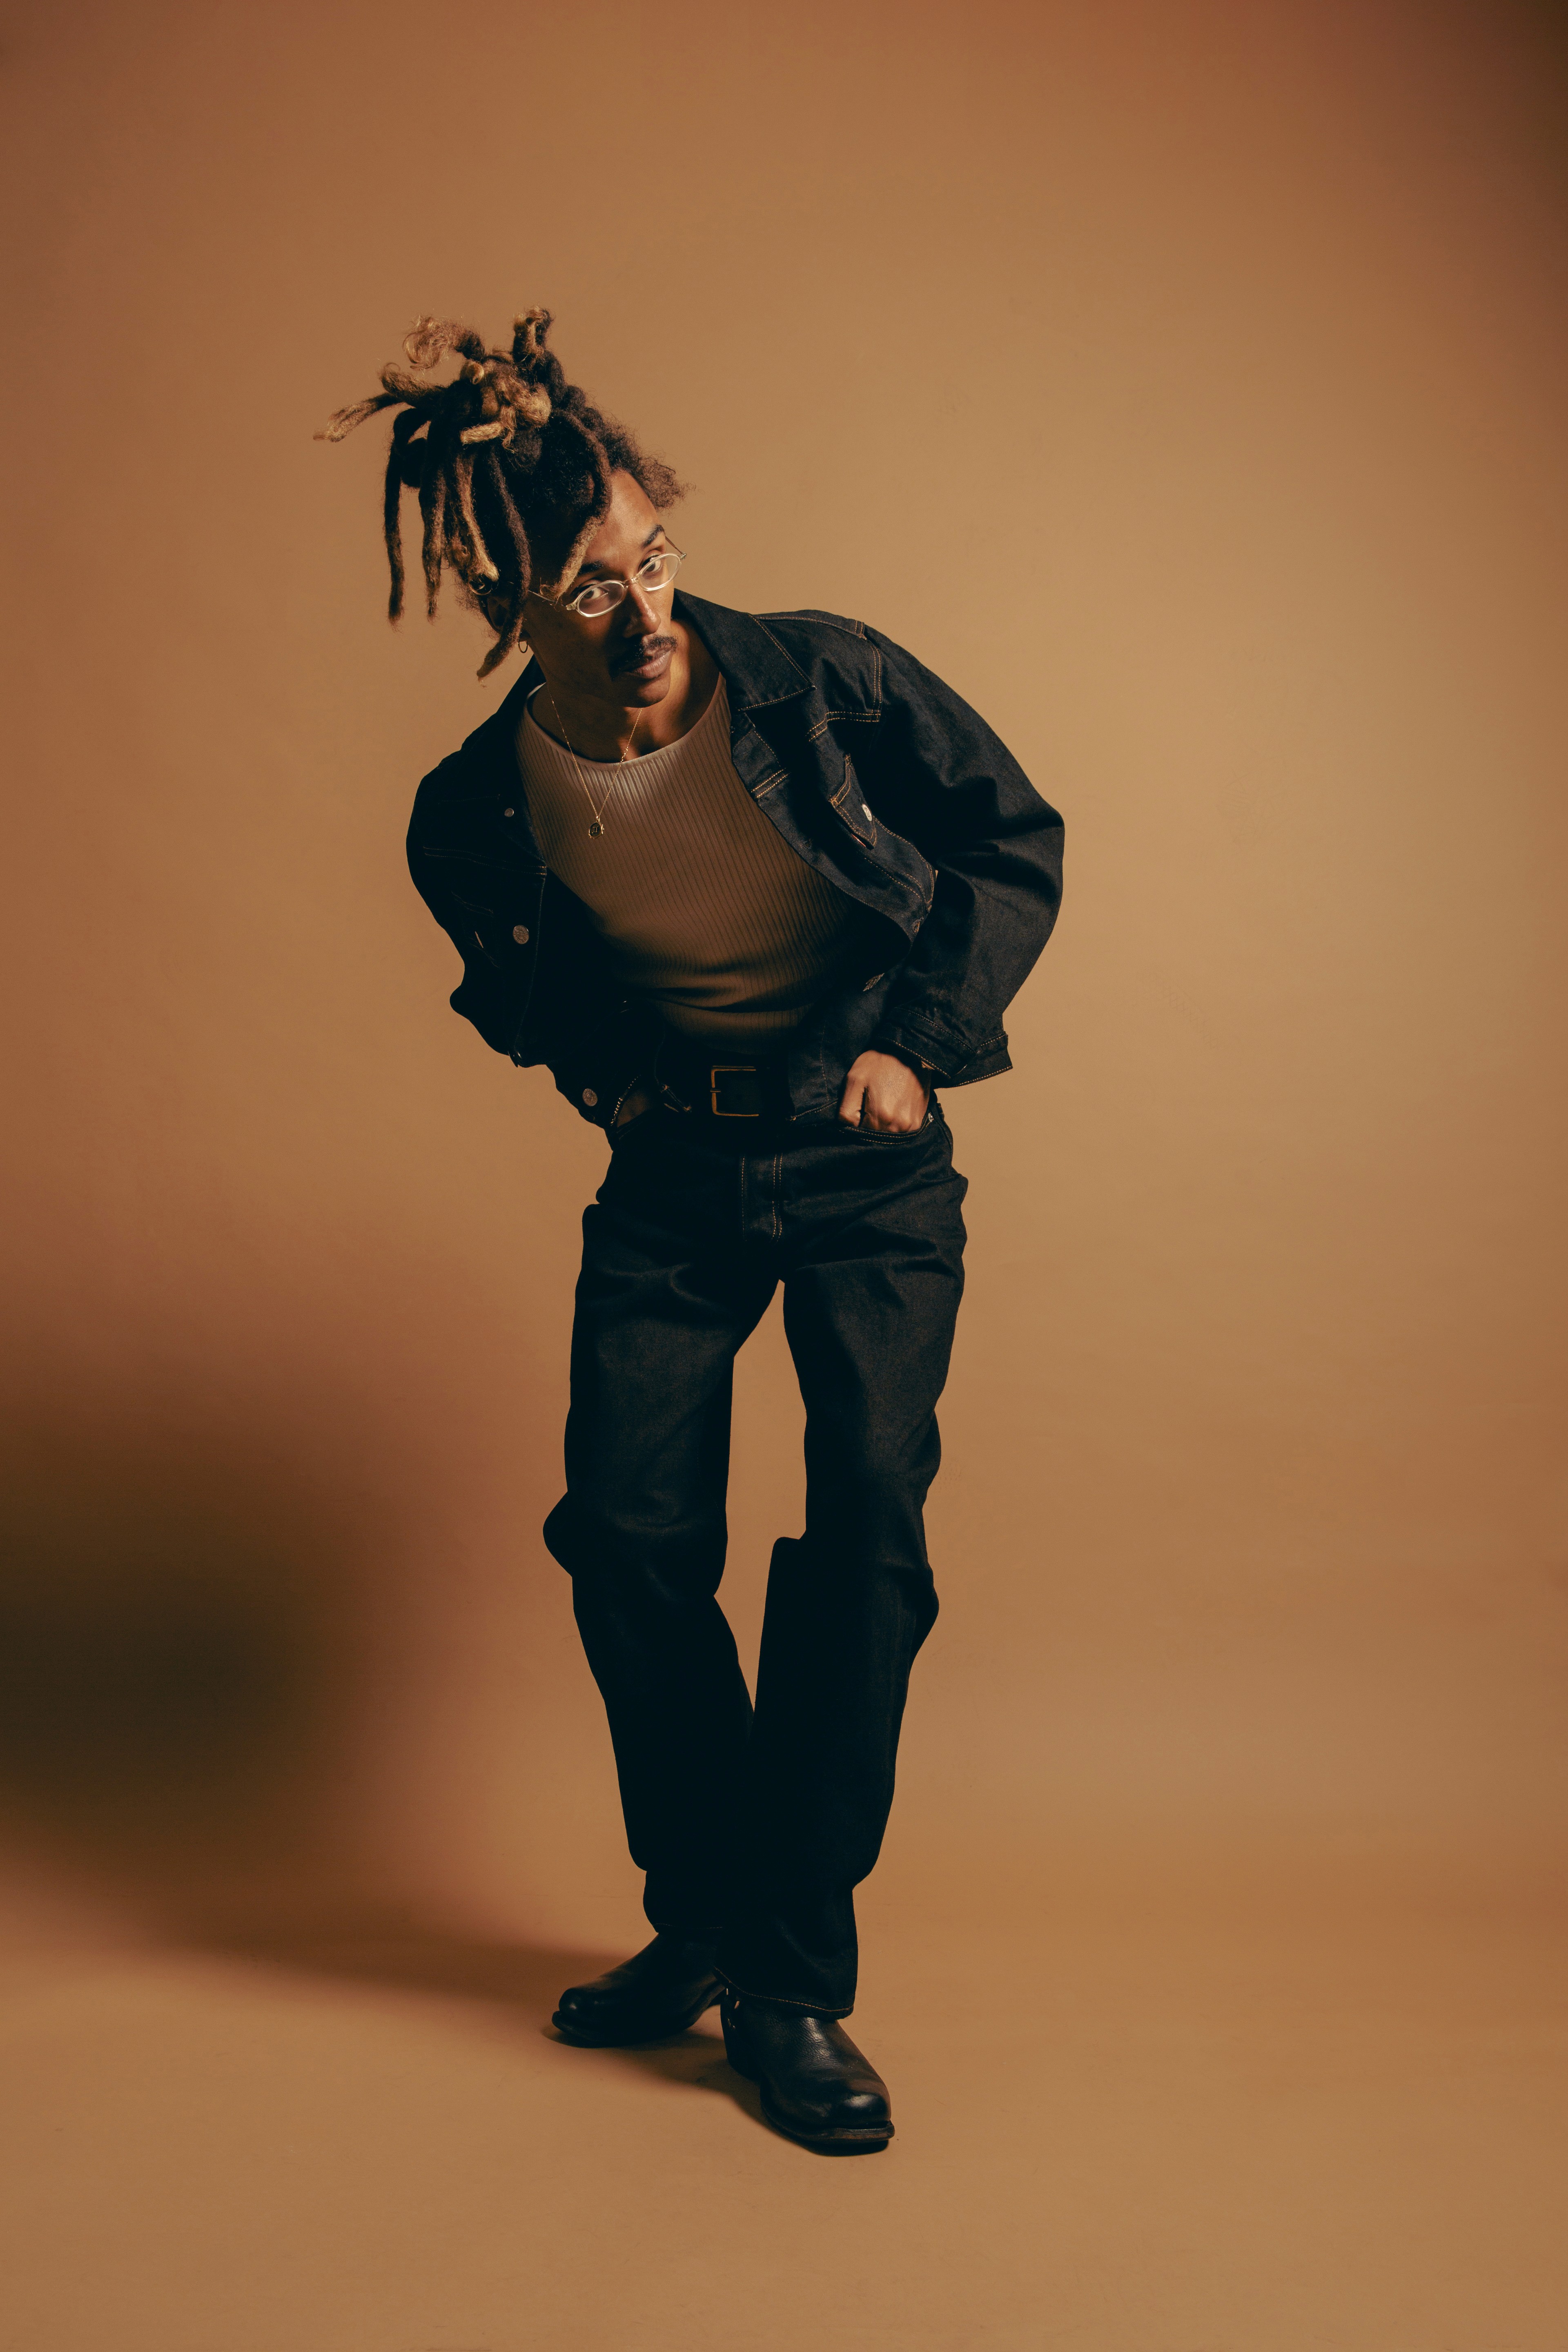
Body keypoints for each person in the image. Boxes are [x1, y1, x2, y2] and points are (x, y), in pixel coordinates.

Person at [322, 310, 1064, 2152]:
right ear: (511, 607)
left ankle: (789, 1980)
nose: (644, 614)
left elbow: (1010, 837)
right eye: (590, 589)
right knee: (629, 1540)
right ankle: (708, 1919)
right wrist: (619, 1087)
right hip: (675, 1179)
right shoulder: (475, 811)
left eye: (654, 560)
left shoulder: (826, 683)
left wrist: (914, 1041)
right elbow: (522, 992)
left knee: (867, 1528)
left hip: (867, 1166)